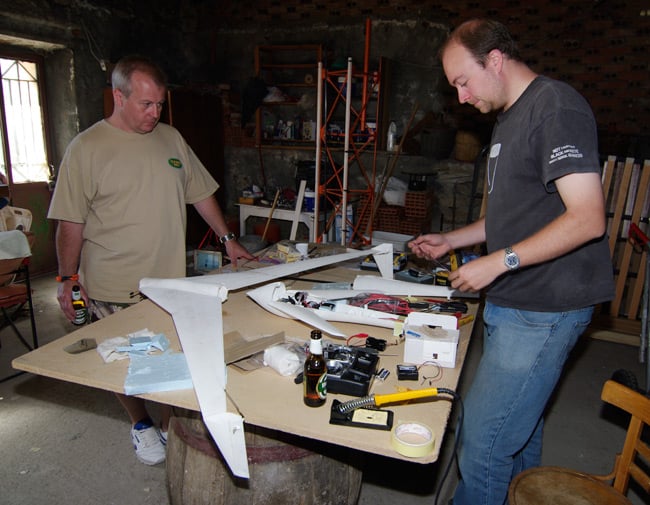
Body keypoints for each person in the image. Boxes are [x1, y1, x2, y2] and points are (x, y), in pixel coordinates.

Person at [409, 19, 615, 505]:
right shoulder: (509, 118)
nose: (461, 97)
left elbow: (588, 218)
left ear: (495, 60)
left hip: (546, 306)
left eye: (463, 81)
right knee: (517, 435)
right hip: (515, 300)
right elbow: (508, 216)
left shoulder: (555, 108)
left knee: (481, 445)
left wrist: (498, 262)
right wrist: (451, 239)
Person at [47, 55, 254, 466]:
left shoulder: (171, 138)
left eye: (160, 104)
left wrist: (229, 239)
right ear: (118, 97)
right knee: (126, 366)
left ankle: (166, 423)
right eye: (146, 104)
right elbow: (70, 223)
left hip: (168, 282)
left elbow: (199, 194)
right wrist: (67, 277)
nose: (154, 113)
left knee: (172, 359)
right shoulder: (86, 148)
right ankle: (140, 424)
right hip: (112, 283)